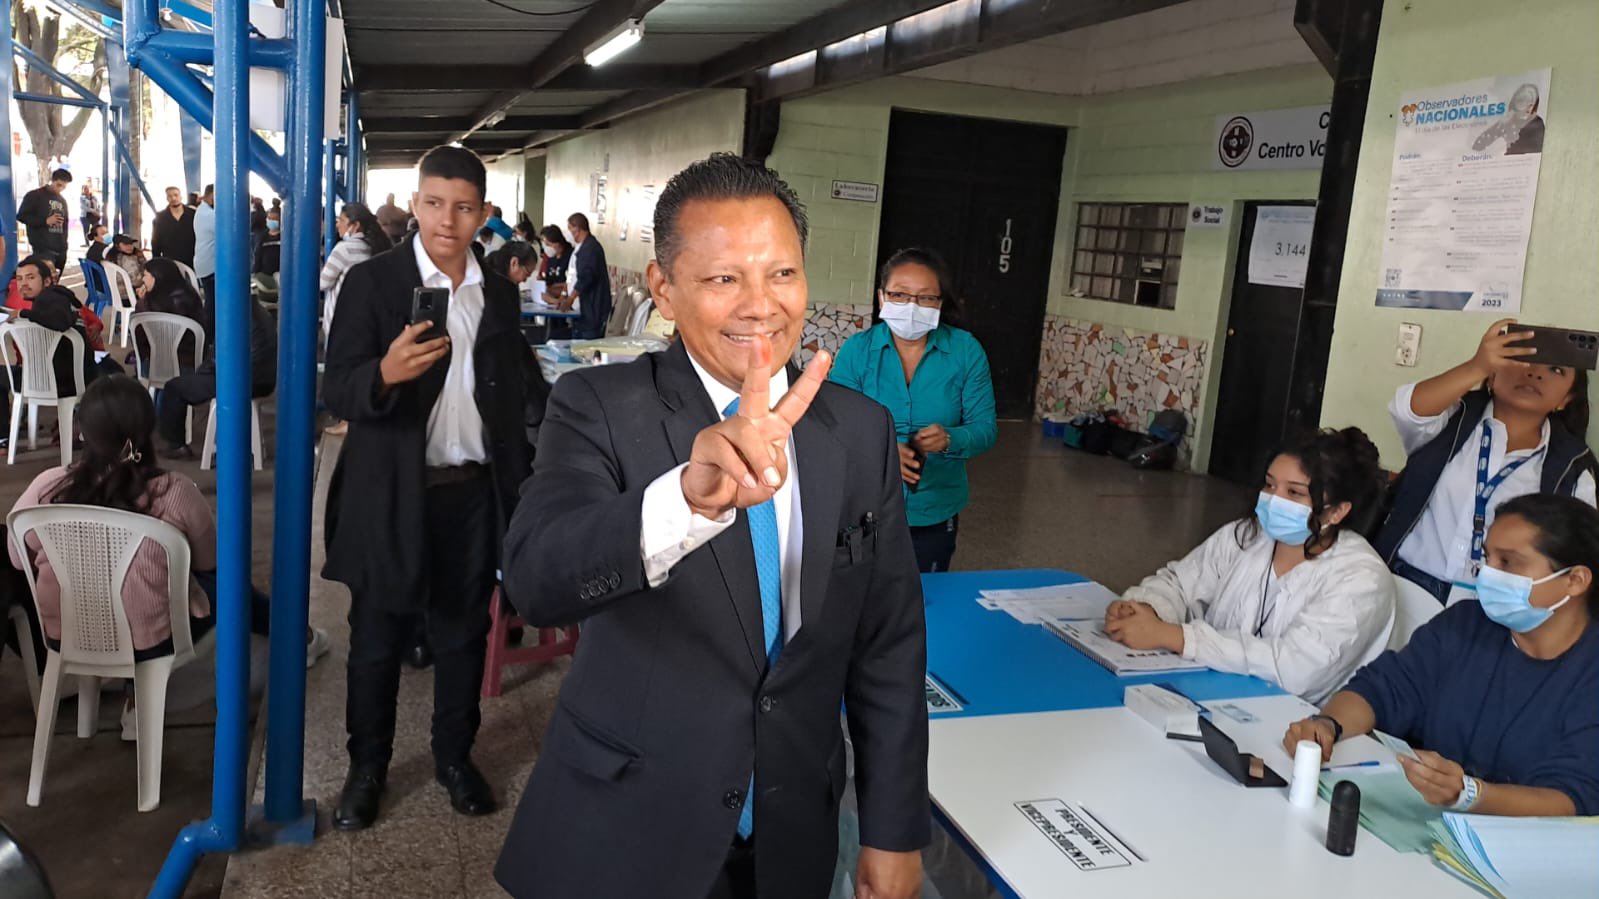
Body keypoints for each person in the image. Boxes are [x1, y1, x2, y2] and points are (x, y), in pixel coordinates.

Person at [495, 153, 927, 899]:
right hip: (630, 824)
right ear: (663, 287)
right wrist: (681, 503)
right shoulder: (597, 405)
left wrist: (892, 825)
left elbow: (887, 642)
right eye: (724, 278)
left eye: (782, 274)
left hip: (791, 828)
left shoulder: (859, 432)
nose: (760, 305)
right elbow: (536, 578)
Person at [321, 145, 532, 831]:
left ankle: (452, 756)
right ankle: (367, 768)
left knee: (462, 633)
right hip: (392, 492)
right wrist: (383, 372)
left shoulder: (497, 290)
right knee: (377, 635)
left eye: (464, 206)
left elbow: (514, 390)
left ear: (483, 213)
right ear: (415, 205)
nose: (448, 219)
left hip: (472, 494)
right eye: (435, 203)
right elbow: (337, 387)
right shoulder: (374, 284)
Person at [7, 376, 329, 714]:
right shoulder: (175, 492)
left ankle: (134, 698)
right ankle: (298, 638)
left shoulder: (48, 487)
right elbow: (208, 563)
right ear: (149, 428)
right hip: (150, 641)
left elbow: (17, 558)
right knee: (229, 586)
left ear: (83, 431)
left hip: (68, 633)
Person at [1284, 493, 1599, 816]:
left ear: (1575, 580)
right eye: (1487, 559)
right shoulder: (1464, 625)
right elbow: (1381, 688)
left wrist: (1470, 794)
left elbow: (1575, 798)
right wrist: (1327, 724)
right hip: (1423, 821)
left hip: (1524, 849)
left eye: (1508, 562)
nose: (1487, 574)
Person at [1106, 428, 1396, 703]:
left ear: (1337, 511)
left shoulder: (1361, 578)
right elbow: (1180, 583)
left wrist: (1177, 637)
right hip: (1207, 690)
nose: (1272, 500)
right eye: (1270, 485)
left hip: (1294, 724)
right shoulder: (1247, 536)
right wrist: (1147, 608)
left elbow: (1295, 669)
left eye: (1294, 493)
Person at [1373, 319, 1596, 605]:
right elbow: (1407, 409)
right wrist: (1475, 365)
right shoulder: (1454, 419)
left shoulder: (1573, 467)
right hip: (1405, 585)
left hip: (1494, 607)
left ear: (1566, 399)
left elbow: (1576, 554)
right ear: (1492, 376)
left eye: (1555, 370)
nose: (1534, 373)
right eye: (1520, 360)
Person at [828, 248, 996, 572]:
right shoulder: (857, 351)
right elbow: (837, 427)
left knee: (924, 600)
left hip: (934, 509)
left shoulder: (965, 350)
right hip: (865, 507)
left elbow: (986, 428)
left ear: (940, 303)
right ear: (881, 297)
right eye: (899, 295)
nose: (911, 307)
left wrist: (951, 438)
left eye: (926, 298)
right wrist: (885, 449)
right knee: (861, 602)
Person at [156, 296, 276, 460]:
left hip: (240, 380)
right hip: (264, 380)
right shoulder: (260, 312)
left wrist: (201, 373)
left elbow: (220, 359)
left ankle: (177, 445)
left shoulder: (235, 315)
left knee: (174, 387)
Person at [320, 202, 394, 335]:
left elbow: (323, 283)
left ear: (355, 226)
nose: (337, 224)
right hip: (366, 317)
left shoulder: (343, 250)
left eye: (341, 220)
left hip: (340, 319)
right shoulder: (376, 247)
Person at [134, 257, 207, 365]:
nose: (143, 280)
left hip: (157, 363)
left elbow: (143, 334)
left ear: (156, 277)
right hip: (191, 360)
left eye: (145, 275)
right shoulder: (190, 294)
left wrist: (141, 302)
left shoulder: (153, 304)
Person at [559, 212, 611, 340]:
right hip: (585, 309)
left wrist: (571, 298)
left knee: (586, 347)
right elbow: (573, 275)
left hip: (593, 310)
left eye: (570, 229)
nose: (569, 233)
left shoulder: (590, 249)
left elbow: (586, 278)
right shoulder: (582, 248)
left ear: (577, 228)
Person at [17, 169, 72, 270]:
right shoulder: (34, 196)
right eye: (59, 185)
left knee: (54, 281)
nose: (60, 189)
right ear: (52, 180)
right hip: (41, 248)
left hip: (60, 249)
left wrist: (64, 246)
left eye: (64, 187)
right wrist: (45, 221)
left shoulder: (62, 200)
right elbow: (22, 216)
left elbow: (65, 225)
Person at [193, 184, 218, 341]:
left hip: (206, 263)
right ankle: (208, 339)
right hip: (210, 266)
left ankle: (208, 337)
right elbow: (230, 230)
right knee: (212, 305)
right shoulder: (209, 215)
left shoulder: (204, 211)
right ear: (211, 195)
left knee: (211, 302)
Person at [151, 186, 197, 267]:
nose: (173, 198)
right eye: (170, 196)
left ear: (181, 196)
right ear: (167, 198)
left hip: (192, 260)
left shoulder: (193, 215)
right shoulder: (160, 218)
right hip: (170, 262)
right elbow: (155, 243)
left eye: (176, 195)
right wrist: (157, 264)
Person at [254, 209, 282, 278]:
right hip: (265, 273)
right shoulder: (263, 236)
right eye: (269, 218)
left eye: (274, 219)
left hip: (280, 274)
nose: (271, 221)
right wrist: (255, 271)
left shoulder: (284, 237)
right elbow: (258, 255)